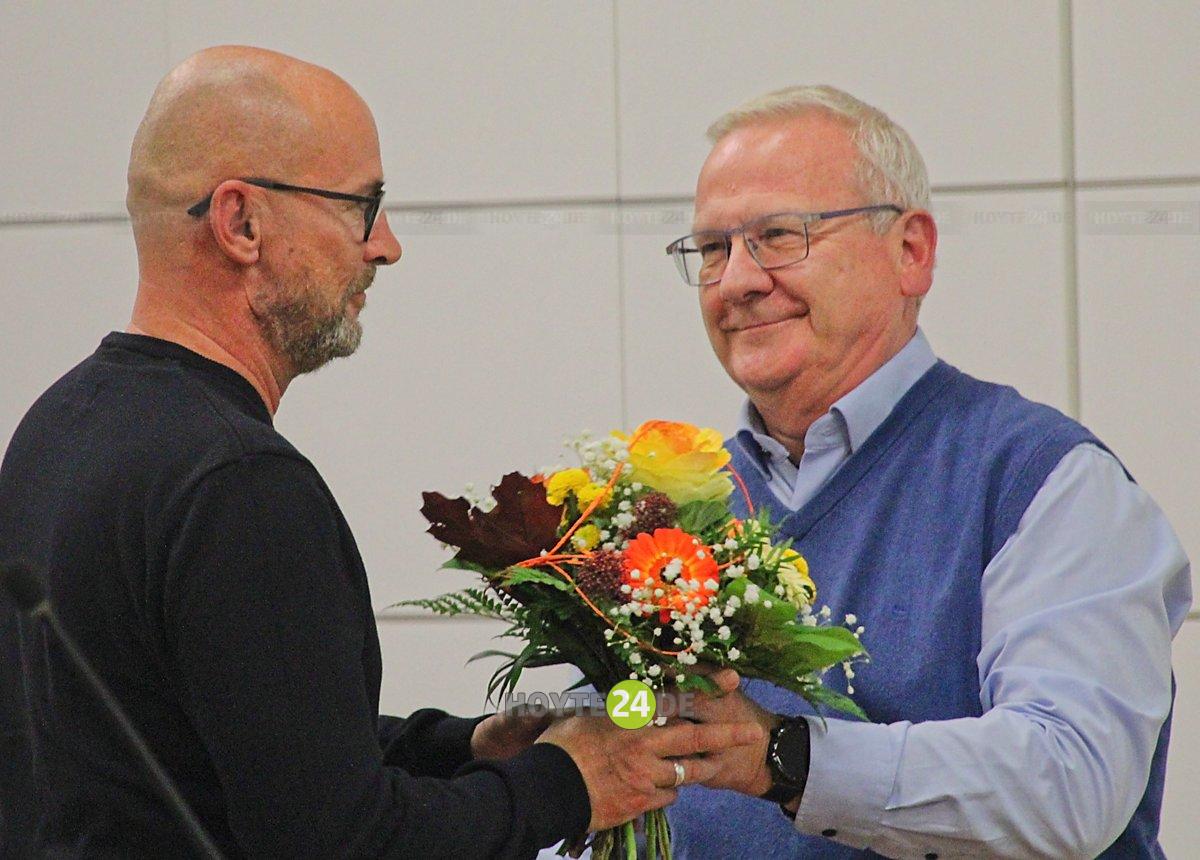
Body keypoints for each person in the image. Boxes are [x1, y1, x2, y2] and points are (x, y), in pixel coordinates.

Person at [0, 47, 761, 859]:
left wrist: (467, 747)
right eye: (362, 206)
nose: (386, 246)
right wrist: (568, 785)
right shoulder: (238, 484)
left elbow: (240, 754)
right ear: (242, 223)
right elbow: (343, 844)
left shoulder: (55, 431)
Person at [663, 86, 1192, 858]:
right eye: (713, 249)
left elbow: (1071, 782)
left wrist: (784, 757)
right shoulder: (675, 512)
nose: (736, 281)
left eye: (777, 235)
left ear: (911, 252)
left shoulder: (1040, 479)